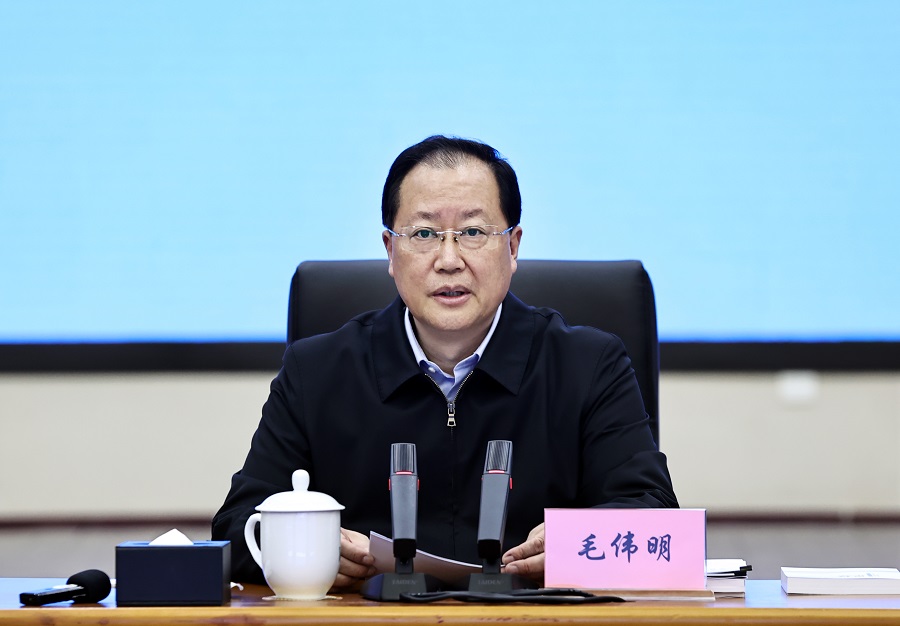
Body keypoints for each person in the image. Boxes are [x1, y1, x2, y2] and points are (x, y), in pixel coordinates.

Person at [211, 135, 678, 589]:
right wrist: (303, 548)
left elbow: (657, 522)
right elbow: (236, 525)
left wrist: (577, 545)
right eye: (424, 234)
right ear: (390, 250)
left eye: (473, 232)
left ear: (513, 246)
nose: (448, 260)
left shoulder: (588, 365)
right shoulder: (316, 371)